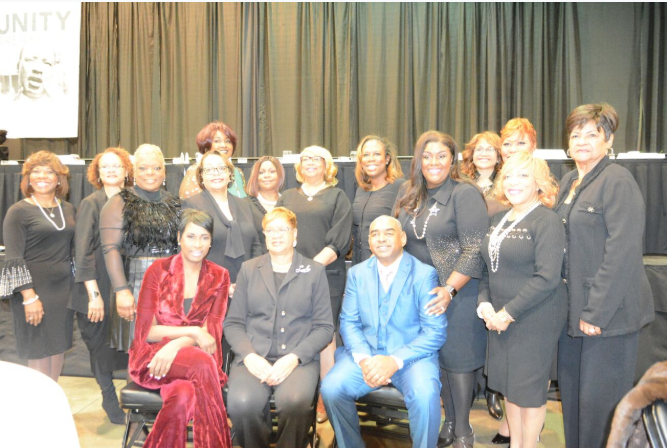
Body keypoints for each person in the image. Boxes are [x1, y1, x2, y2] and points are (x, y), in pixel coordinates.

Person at [555, 103, 654, 448]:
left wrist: (596, 312)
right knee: (574, 404)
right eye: (575, 134)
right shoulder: (569, 181)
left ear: (608, 141)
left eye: (591, 134)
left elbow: (622, 252)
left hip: (606, 316)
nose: (581, 141)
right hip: (572, 312)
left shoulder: (618, 181)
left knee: (599, 411)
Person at [395, 131, 488, 448]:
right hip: (422, 294)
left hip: (458, 290)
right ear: (418, 160)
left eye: (441, 155)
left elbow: (474, 249)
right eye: (427, 156)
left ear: (453, 160)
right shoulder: (410, 194)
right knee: (437, 361)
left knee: (457, 362)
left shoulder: (465, 194)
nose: (433, 162)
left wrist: (449, 289)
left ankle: (463, 430)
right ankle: (448, 423)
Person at [321, 215, 446, 448]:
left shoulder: (424, 274)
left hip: (411, 360)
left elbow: (434, 333)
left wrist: (394, 361)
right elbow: (348, 322)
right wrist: (364, 359)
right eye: (375, 234)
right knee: (331, 388)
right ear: (369, 242)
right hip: (366, 356)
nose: (381, 239)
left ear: (403, 238)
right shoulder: (357, 273)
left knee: (425, 396)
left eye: (388, 233)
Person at [477, 152, 567, 448]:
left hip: (533, 318)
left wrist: (507, 314)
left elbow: (547, 278)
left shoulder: (547, 220)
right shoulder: (499, 218)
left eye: (523, 176)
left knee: (528, 393)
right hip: (499, 317)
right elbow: (487, 268)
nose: (513, 182)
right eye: (508, 176)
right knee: (509, 389)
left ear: (538, 183)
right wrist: (484, 304)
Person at [224, 207, 334, 447]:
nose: (276, 235)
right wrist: (249, 356)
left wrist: (294, 358)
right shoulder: (249, 269)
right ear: (264, 235)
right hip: (253, 357)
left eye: (283, 229)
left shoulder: (314, 272)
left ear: (295, 234)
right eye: (270, 230)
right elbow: (233, 323)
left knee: (295, 402)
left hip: (298, 360)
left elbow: (324, 327)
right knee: (242, 403)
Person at [128, 210, 232, 448]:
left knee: (183, 395)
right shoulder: (158, 270)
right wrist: (194, 332)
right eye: (191, 236)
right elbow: (146, 332)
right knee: (202, 363)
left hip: (194, 357)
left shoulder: (220, 276)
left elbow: (211, 331)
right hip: (154, 358)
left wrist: (177, 344)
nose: (198, 244)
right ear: (179, 238)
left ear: (211, 241)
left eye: (204, 237)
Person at [275, 145, 352, 423]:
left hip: (326, 276)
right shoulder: (286, 196)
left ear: (327, 166)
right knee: (294, 330)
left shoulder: (337, 196)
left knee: (324, 336)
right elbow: (278, 233)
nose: (310, 162)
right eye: (305, 158)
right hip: (288, 276)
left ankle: (324, 398)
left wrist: (309, 269)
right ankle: (298, 392)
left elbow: (340, 240)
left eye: (316, 158)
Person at [0, 151, 75, 381]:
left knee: (58, 348)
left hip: (63, 291)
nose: (42, 176)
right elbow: (14, 258)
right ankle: (40, 402)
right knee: (39, 350)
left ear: (59, 179)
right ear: (28, 178)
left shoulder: (68, 208)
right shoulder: (18, 211)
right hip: (33, 291)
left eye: (49, 171)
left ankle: (53, 399)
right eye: (36, 171)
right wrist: (29, 297)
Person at [73, 147, 133, 424]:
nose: (110, 170)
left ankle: (134, 400)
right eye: (104, 166)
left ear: (126, 170)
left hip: (125, 286)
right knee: (100, 349)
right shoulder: (91, 203)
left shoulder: (133, 201)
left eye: (116, 165)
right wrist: (93, 295)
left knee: (131, 347)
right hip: (95, 288)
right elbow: (82, 251)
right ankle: (109, 399)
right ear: (97, 172)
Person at [101, 144, 180, 352]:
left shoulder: (175, 202)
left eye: (156, 168)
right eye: (143, 168)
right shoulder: (118, 202)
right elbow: (110, 249)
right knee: (139, 350)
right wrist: (121, 291)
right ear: (134, 172)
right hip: (136, 284)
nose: (150, 173)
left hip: (172, 284)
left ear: (164, 172)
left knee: (170, 350)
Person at [182, 150, 262, 295]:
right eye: (209, 169)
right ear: (201, 176)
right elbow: (190, 252)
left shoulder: (245, 205)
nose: (216, 173)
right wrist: (222, 287)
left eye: (221, 168)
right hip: (209, 290)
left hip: (247, 287)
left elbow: (256, 244)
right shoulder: (192, 205)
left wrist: (252, 279)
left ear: (229, 174)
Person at [351, 135, 405, 265]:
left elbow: (405, 230)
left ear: (387, 159)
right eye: (366, 155)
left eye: (376, 154)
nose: (371, 159)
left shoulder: (401, 187)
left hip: (387, 265)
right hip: (360, 264)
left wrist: (371, 263)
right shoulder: (361, 190)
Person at [179, 121, 246, 199]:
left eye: (228, 141)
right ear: (206, 146)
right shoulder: (196, 171)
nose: (224, 145)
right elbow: (188, 203)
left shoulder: (238, 172)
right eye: (217, 141)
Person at [245, 155, 286, 249]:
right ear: (256, 177)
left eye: (272, 171)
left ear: (280, 175)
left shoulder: (288, 203)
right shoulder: (245, 205)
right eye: (261, 172)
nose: (267, 175)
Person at [458, 131, 503, 197]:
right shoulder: (461, 183)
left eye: (490, 149)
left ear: (498, 156)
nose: (484, 154)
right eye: (479, 149)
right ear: (471, 155)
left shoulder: (504, 183)